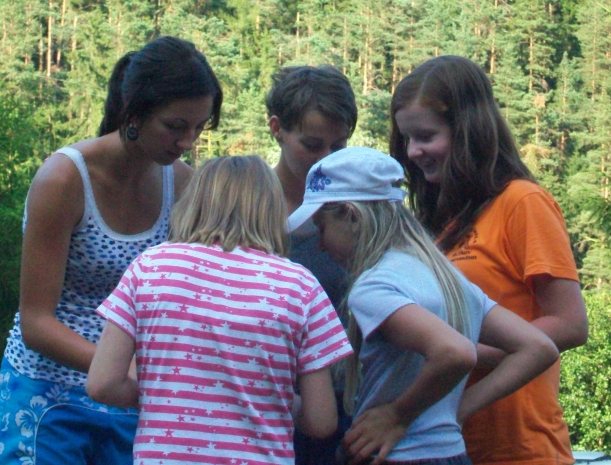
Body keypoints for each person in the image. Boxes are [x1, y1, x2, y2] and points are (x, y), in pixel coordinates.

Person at [0, 36, 223, 465]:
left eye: (198, 127)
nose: (188, 141)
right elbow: (36, 322)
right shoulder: (63, 179)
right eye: (175, 126)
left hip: (129, 397)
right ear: (133, 112)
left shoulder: (184, 184)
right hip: (46, 395)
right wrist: (120, 369)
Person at [287, 146, 560, 465]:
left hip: (397, 456)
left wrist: (398, 415)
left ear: (353, 216)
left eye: (322, 228)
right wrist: (455, 412)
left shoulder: (373, 288)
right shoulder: (446, 278)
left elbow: (456, 352)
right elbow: (538, 347)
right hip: (452, 454)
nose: (320, 245)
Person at [86, 155, 354, 465]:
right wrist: (277, 401)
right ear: (272, 210)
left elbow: (102, 384)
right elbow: (321, 421)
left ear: (195, 202)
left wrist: (166, 397)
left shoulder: (150, 267)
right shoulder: (301, 285)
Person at [390, 55, 588, 465]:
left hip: (518, 448)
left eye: (425, 136)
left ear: (468, 129)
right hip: (445, 449)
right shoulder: (437, 219)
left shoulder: (522, 202)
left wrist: (463, 355)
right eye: (406, 139)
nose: (413, 152)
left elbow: (570, 324)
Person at [266, 65, 358, 465]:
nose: (326, 161)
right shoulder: (245, 208)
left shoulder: (358, 210)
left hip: (343, 409)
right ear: (276, 128)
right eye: (312, 145)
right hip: (258, 403)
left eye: (338, 148)